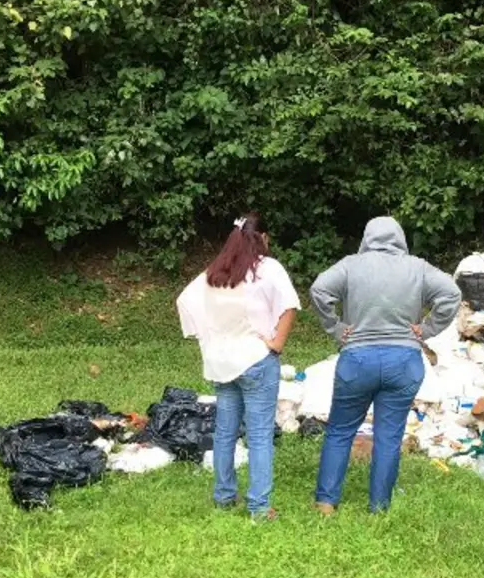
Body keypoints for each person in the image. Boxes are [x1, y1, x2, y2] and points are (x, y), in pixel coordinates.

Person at [309, 216, 461, 514]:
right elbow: (451, 294)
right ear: (400, 238)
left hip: (358, 360)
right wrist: (427, 328)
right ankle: (379, 506)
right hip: (403, 361)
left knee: (340, 430)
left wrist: (336, 328)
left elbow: (318, 290)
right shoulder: (417, 267)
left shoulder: (351, 265)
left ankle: (326, 503)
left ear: (367, 238)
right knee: (389, 436)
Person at [176, 212, 300, 521]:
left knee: (224, 432)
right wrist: (277, 343)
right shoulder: (267, 268)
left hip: (222, 362)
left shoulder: (217, 271)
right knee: (258, 436)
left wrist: (207, 335)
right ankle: (258, 507)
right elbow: (289, 306)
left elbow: (184, 301)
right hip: (256, 360)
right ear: (264, 238)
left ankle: (223, 496)